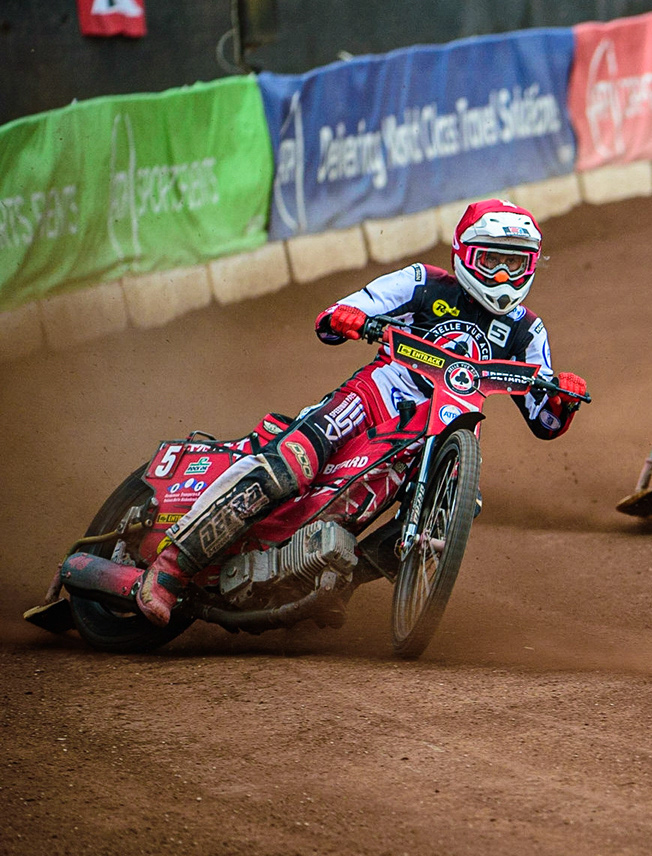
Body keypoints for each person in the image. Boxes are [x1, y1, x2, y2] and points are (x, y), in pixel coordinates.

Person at [133, 199, 589, 625]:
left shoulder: (528, 331)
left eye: (516, 264)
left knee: (459, 507)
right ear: (465, 255)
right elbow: (340, 315)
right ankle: (173, 566)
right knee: (293, 463)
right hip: (373, 399)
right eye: (493, 261)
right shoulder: (423, 283)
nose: (505, 277)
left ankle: (335, 585)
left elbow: (544, 420)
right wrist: (346, 318)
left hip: (438, 434)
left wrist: (561, 400)